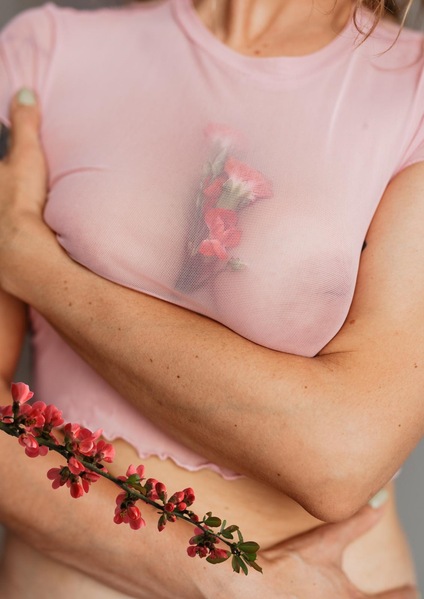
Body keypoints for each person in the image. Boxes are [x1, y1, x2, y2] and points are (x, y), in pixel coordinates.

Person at [0, 0, 422, 596]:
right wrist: (224, 581)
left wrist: (39, 269)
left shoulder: (412, 94)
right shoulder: (48, 52)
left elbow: (342, 458)